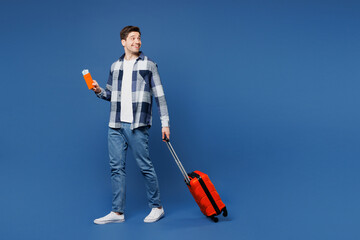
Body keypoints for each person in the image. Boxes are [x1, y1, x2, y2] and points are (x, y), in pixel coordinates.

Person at [91, 26, 170, 224]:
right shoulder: (115, 66)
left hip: (137, 124)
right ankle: (117, 212)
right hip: (115, 124)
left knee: (145, 166)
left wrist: (165, 124)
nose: (137, 41)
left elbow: (159, 95)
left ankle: (157, 207)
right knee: (116, 168)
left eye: (139, 38)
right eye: (133, 38)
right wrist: (99, 90)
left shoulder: (149, 65)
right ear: (123, 42)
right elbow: (110, 95)